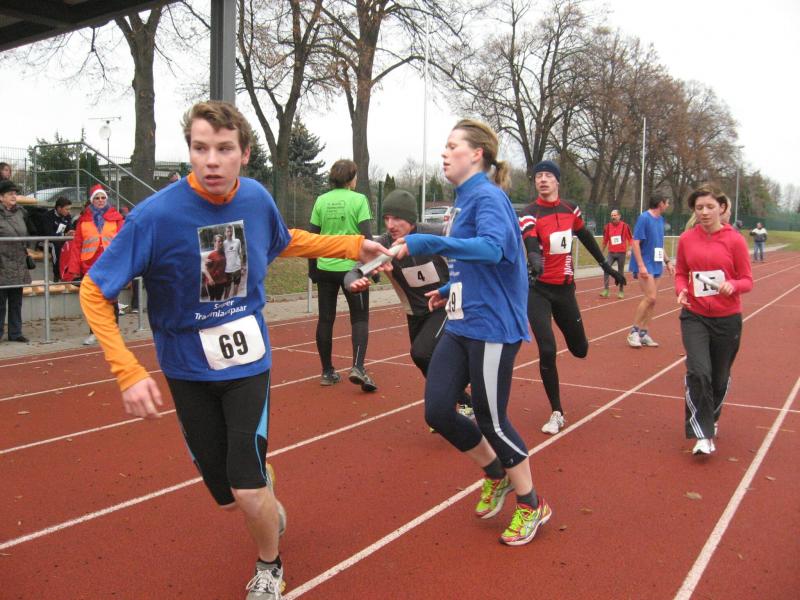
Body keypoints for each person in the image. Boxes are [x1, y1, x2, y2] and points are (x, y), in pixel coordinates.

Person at [79, 100, 389, 599]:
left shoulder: (257, 199)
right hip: (187, 369)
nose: (212, 161)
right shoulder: (155, 217)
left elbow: (285, 240)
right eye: (200, 148)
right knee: (228, 497)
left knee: (245, 488)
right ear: (189, 152)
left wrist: (354, 246)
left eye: (224, 149)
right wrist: (128, 370)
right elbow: (95, 290)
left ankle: (269, 565)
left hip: (247, 363)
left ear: (244, 153)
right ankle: (261, 483)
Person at [394, 119, 551, 546]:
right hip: (463, 319)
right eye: (444, 147)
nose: (444, 154)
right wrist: (448, 289)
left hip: (493, 326)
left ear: (476, 154)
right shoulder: (463, 200)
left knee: (491, 419)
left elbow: (495, 250)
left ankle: (532, 503)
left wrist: (433, 243)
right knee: (438, 410)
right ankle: (496, 473)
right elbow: (473, 262)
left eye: (452, 146)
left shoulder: (487, 196)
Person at [519, 160, 626, 435]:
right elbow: (530, 238)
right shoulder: (529, 213)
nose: (542, 180)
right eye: (538, 176)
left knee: (580, 350)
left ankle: (575, 340)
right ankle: (557, 412)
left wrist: (606, 266)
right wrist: (534, 258)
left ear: (557, 181)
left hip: (565, 290)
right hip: (538, 289)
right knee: (547, 349)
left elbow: (585, 235)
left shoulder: (571, 209)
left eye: (548, 175)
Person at [372, 189, 472, 417]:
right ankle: (461, 401)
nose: (390, 225)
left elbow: (465, 242)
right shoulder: (385, 244)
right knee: (426, 360)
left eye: (397, 218)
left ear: (410, 218)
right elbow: (362, 261)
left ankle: (448, 405)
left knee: (421, 353)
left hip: (444, 305)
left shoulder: (433, 234)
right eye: (386, 218)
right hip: (415, 313)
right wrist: (357, 276)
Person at [675, 184, 752, 455]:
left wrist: (733, 285)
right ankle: (703, 435)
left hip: (727, 319)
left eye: (710, 207)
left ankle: (712, 418)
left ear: (722, 207)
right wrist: (681, 290)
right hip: (694, 316)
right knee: (699, 372)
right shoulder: (687, 239)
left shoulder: (735, 241)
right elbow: (681, 273)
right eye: (699, 208)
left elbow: (747, 280)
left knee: (719, 378)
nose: (705, 212)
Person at [309, 159, 377, 391]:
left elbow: (312, 238)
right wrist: (372, 268)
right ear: (351, 178)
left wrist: (312, 270)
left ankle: (327, 371)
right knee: (359, 318)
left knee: (325, 319)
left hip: (325, 267)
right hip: (352, 270)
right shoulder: (359, 200)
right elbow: (367, 236)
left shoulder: (321, 200)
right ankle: (358, 366)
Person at [65, 184, 125, 345]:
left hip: (110, 264)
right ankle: (94, 332)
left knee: (111, 298)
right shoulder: (83, 220)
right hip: (89, 265)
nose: (100, 200)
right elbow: (77, 245)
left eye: (103, 197)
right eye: (97, 198)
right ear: (92, 200)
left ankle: (113, 332)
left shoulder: (117, 218)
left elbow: (123, 242)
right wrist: (74, 269)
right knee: (93, 301)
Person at [627, 193, 675, 348]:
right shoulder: (644, 218)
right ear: (661, 203)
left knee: (653, 301)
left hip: (656, 263)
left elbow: (660, 244)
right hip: (645, 263)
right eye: (667, 202)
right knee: (650, 297)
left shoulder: (660, 220)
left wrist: (667, 261)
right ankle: (633, 332)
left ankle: (644, 333)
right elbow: (635, 243)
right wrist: (641, 265)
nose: (668, 205)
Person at [0, 179, 32, 342]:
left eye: (15, 194)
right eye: (10, 194)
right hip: (2, 262)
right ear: (1, 197)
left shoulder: (21, 212)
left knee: (16, 301)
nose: (14, 196)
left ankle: (15, 333)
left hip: (18, 262)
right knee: (0, 302)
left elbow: (30, 232)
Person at [39, 196, 75, 281]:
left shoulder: (67, 216)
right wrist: (64, 235)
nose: (69, 211)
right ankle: (57, 274)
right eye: (66, 209)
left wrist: (71, 233)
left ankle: (71, 274)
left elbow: (70, 229)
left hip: (61, 240)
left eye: (69, 209)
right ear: (59, 208)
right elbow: (49, 234)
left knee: (72, 245)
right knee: (56, 246)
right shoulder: (47, 216)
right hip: (45, 241)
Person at [599, 209, 632, 299]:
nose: (613, 217)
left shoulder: (625, 226)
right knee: (606, 269)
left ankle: (621, 291)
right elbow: (605, 240)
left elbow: (630, 239)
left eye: (615, 215)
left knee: (620, 272)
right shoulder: (607, 227)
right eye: (612, 215)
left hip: (621, 253)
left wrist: (629, 250)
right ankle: (606, 290)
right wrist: (600, 252)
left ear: (619, 216)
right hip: (611, 253)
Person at [202, 233, 228, 301]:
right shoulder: (211, 255)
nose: (220, 243)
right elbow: (205, 269)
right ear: (215, 243)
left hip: (221, 281)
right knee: (212, 299)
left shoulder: (224, 253)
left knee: (218, 299)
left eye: (221, 241)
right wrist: (210, 279)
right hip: (212, 282)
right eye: (218, 241)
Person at [223, 223, 245, 298]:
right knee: (227, 290)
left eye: (231, 231)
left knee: (236, 287)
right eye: (228, 231)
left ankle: (233, 302)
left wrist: (242, 268)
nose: (230, 233)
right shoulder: (223, 244)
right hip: (227, 270)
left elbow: (240, 254)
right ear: (225, 233)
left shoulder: (237, 241)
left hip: (237, 269)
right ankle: (225, 302)